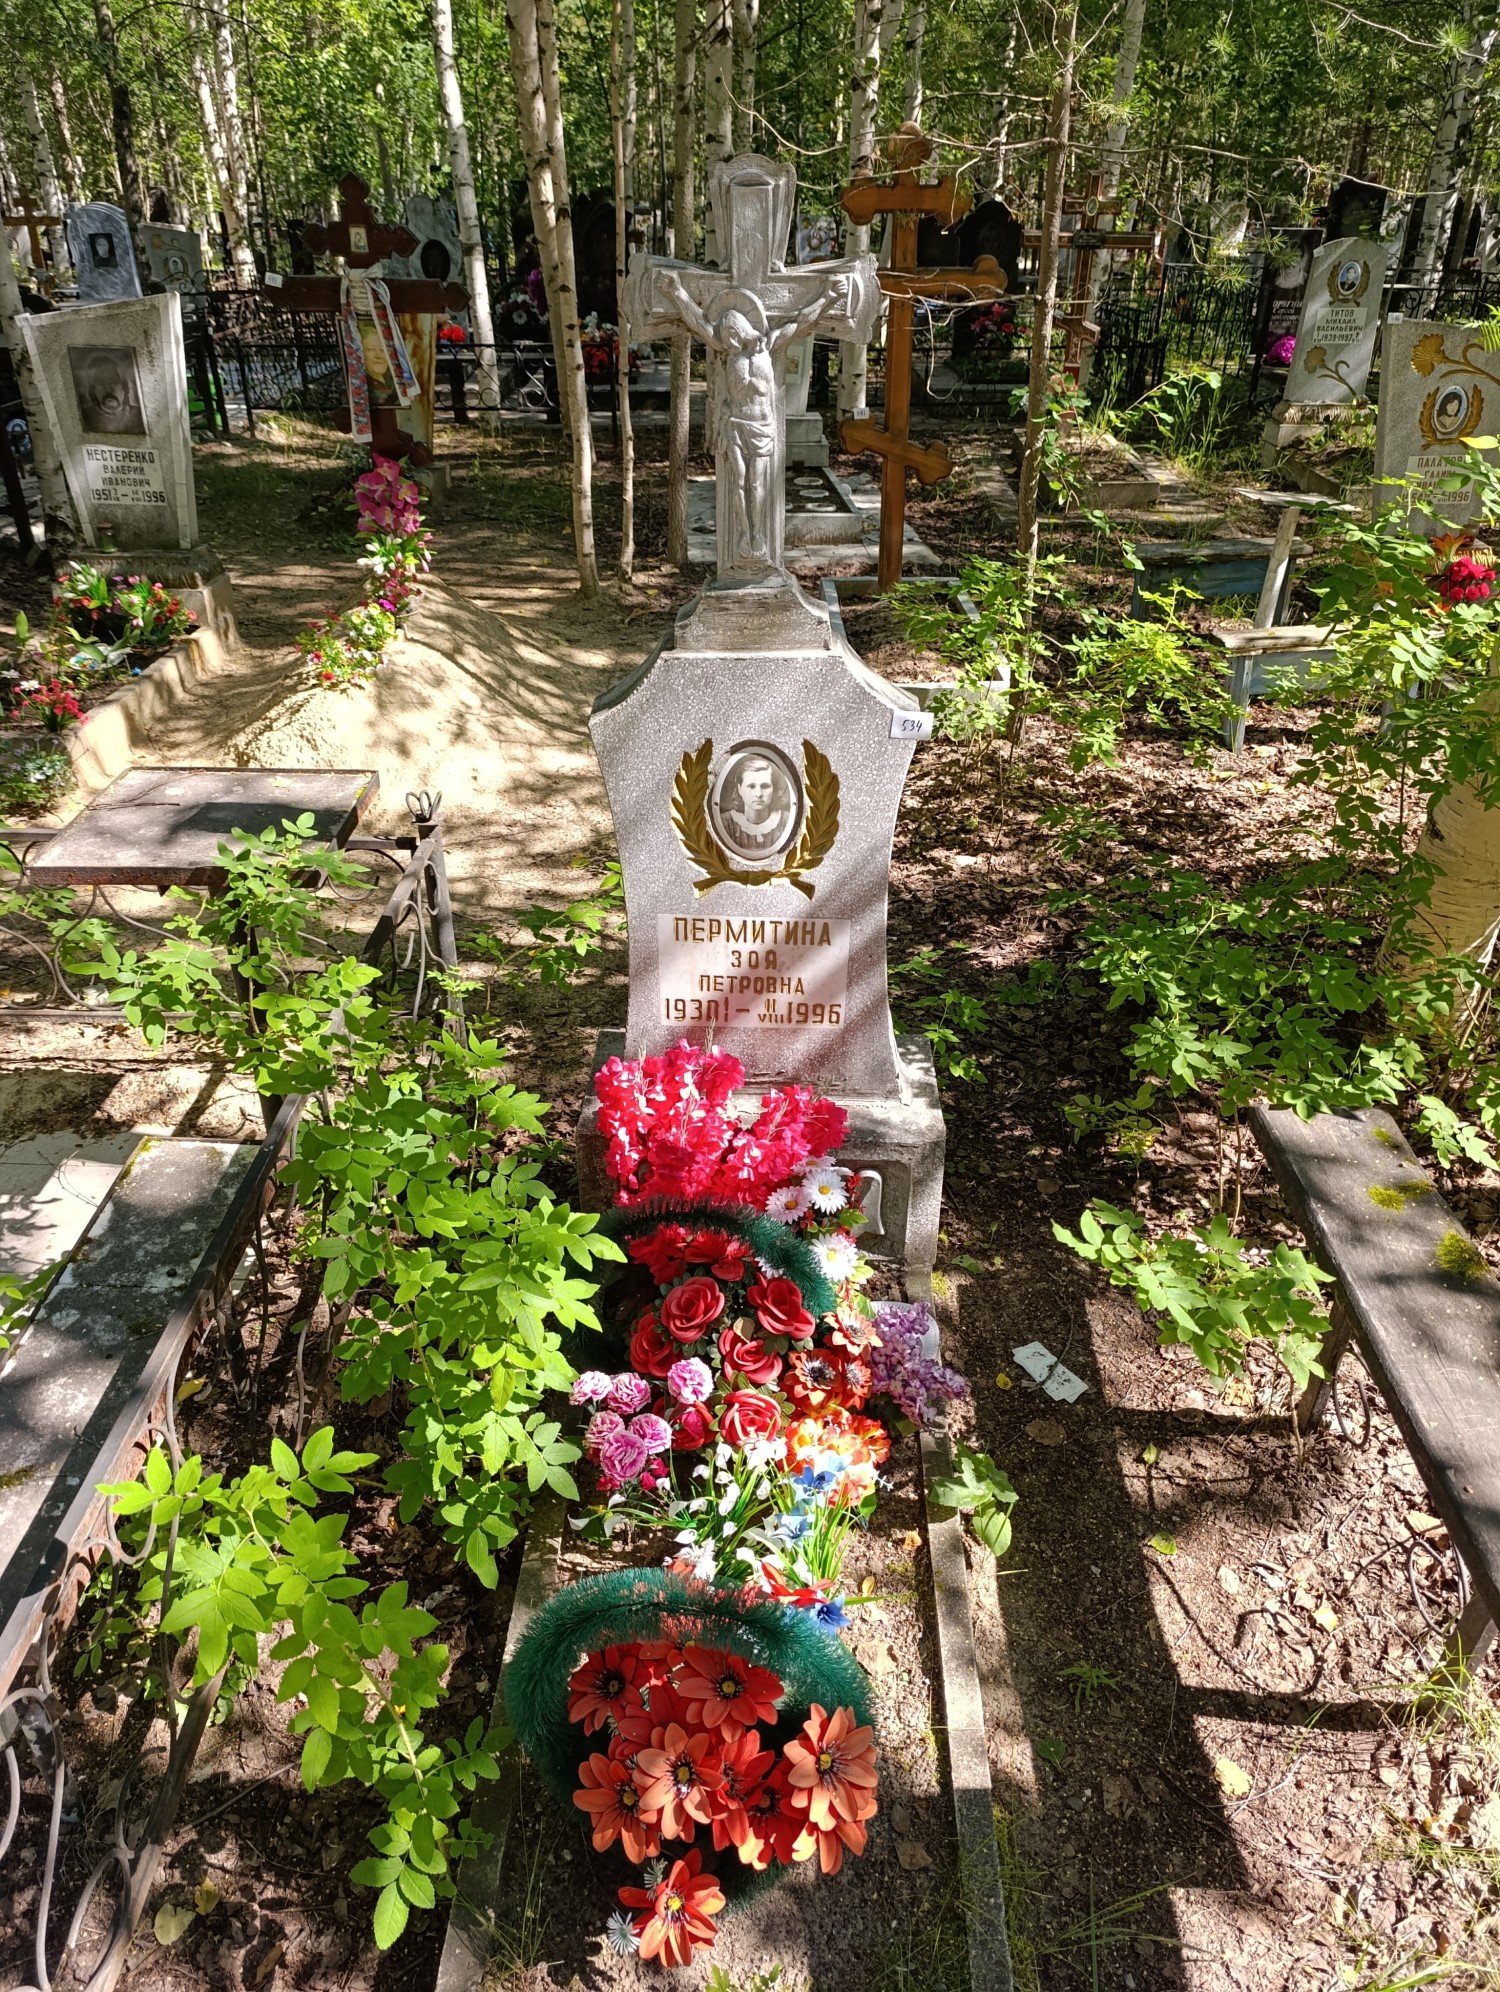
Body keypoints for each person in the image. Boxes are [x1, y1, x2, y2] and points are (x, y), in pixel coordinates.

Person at [655, 270, 844, 577]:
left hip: (762, 428)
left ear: (741, 329)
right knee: (738, 483)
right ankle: (745, 535)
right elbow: (699, 323)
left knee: (757, 484)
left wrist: (828, 297)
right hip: (735, 426)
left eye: (732, 334)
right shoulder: (724, 348)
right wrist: (676, 292)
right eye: (725, 335)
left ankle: (758, 536)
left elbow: (799, 322)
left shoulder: (768, 345)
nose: (728, 340)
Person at [718, 755, 790, 857]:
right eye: (751, 786)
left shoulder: (787, 821)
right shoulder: (724, 823)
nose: (758, 794)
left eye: (765, 786)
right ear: (740, 789)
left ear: (773, 788)